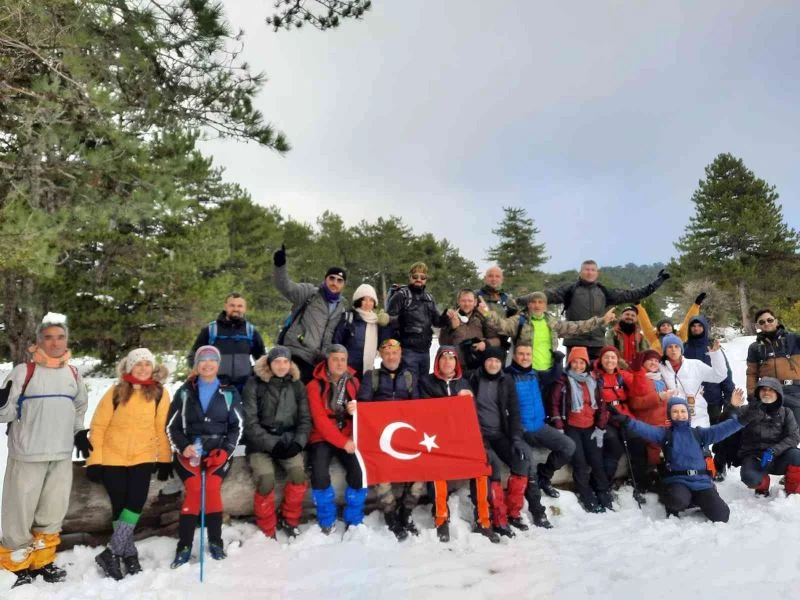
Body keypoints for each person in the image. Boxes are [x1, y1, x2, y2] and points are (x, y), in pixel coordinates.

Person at [0, 313, 89, 587]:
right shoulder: (23, 372)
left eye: (60, 337)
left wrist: (79, 432)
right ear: (39, 341)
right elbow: (5, 414)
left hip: (60, 454)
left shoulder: (73, 374)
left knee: (52, 512)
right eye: (48, 337)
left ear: (66, 341)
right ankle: (15, 566)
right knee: (19, 512)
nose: (54, 343)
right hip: (27, 453)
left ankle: (42, 562)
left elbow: (79, 406)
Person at [87, 348, 171, 580]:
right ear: (128, 367)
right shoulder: (115, 392)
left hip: (143, 458)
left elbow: (160, 429)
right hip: (112, 458)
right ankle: (128, 552)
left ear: (152, 367)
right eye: (138, 364)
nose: (143, 368)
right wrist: (94, 461)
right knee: (120, 505)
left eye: (147, 364)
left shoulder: (160, 394)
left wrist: (164, 458)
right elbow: (99, 427)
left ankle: (112, 551)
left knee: (135, 503)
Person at [611, 394, 746, 523]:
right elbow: (644, 429)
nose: (679, 414)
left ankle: (696, 499)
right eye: (675, 411)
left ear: (688, 413)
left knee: (722, 516)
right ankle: (681, 499)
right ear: (670, 414)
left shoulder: (699, 434)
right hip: (678, 481)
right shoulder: (665, 434)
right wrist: (626, 420)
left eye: (683, 411)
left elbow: (722, 429)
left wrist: (743, 420)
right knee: (677, 501)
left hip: (701, 482)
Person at [167, 345, 244, 568]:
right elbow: (171, 427)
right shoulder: (184, 391)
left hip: (218, 453)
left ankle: (215, 541)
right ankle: (184, 546)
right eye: (203, 360)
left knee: (210, 486)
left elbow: (237, 426)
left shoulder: (229, 392)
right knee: (194, 489)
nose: (207, 364)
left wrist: (225, 450)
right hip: (189, 454)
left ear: (218, 365)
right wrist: (184, 447)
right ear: (197, 364)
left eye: (212, 360)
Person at [468, 346, 551, 536]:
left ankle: (513, 512)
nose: (493, 364)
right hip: (480, 437)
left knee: (522, 460)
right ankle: (498, 515)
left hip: (501, 435)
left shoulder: (506, 381)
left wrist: (515, 439)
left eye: (497, 361)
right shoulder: (473, 379)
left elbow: (514, 413)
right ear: (484, 361)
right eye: (490, 360)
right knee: (493, 465)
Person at [419, 346, 498, 543]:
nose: (447, 362)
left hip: (462, 439)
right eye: (443, 358)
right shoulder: (427, 382)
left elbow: (472, 416)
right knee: (438, 471)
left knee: (481, 467)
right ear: (437, 361)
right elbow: (426, 411)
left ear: (456, 362)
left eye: (451, 358)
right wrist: (454, 401)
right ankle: (441, 518)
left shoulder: (464, 383)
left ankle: (483, 520)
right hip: (437, 440)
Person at [479, 291, 614, 390]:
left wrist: (601, 321)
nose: (537, 305)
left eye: (540, 302)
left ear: (545, 305)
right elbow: (501, 325)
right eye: (533, 302)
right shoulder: (519, 321)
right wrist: (486, 313)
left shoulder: (552, 322)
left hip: (548, 372)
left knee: (546, 407)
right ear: (529, 304)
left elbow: (577, 327)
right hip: (525, 372)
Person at [357, 339, 423, 540]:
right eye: (387, 354)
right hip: (380, 437)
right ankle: (390, 514)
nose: (391, 357)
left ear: (400, 354)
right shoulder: (372, 376)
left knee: (419, 473)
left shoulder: (410, 376)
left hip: (405, 435)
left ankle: (406, 512)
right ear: (381, 356)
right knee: (381, 473)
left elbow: (418, 406)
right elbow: (363, 404)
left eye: (394, 353)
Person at [242, 346, 311, 539]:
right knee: (266, 478)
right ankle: (267, 524)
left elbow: (305, 419)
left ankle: (290, 518)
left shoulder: (297, 385)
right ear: (269, 363)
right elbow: (250, 422)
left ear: (290, 364)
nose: (281, 366)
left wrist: (298, 442)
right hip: (260, 442)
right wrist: (272, 443)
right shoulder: (254, 384)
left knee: (298, 474)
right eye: (277, 361)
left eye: (285, 362)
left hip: (288, 439)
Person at [540, 260, 669, 360]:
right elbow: (543, 296)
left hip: (597, 343)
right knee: (574, 380)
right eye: (586, 269)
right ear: (580, 272)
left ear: (597, 273)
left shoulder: (604, 292)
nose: (589, 272)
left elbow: (633, 294)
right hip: (575, 342)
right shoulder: (569, 290)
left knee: (598, 381)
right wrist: (522, 302)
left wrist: (656, 283)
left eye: (592, 270)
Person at [306, 345, 366, 534]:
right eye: (335, 359)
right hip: (322, 436)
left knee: (359, 473)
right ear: (327, 361)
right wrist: (343, 442)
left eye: (343, 359)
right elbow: (320, 420)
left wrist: (355, 411)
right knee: (320, 474)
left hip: (347, 434)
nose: (339, 363)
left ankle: (353, 517)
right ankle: (327, 517)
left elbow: (365, 410)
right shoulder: (314, 386)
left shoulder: (354, 382)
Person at [504, 344, 576, 501]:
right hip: (519, 430)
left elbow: (554, 376)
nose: (525, 357)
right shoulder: (507, 376)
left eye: (528, 354)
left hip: (539, 426)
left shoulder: (534, 374)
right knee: (527, 462)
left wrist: (557, 362)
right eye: (521, 354)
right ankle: (534, 501)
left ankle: (545, 476)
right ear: (514, 356)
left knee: (568, 446)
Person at [273, 244, 348, 383]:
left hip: (316, 363)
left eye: (339, 281)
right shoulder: (309, 293)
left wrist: (326, 356)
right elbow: (284, 286)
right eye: (331, 278)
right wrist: (280, 265)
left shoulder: (341, 308)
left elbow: (330, 335)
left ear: (343, 285)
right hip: (295, 354)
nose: (334, 283)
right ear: (325, 279)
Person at [549, 347, 611, 513]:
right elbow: (554, 405)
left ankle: (603, 492)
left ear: (586, 363)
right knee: (580, 463)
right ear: (569, 363)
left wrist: (600, 427)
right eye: (574, 362)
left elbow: (602, 405)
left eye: (581, 362)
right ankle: (586, 496)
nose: (578, 365)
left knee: (597, 461)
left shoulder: (593, 380)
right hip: (571, 427)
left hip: (590, 427)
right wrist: (559, 427)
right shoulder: (563, 381)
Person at [592, 346, 649, 504]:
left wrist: (638, 371)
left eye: (613, 357)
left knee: (637, 443)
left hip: (625, 416)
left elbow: (640, 390)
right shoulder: (595, 377)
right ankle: (605, 485)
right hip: (605, 418)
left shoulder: (622, 375)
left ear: (617, 360)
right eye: (606, 357)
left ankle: (639, 484)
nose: (610, 360)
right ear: (601, 360)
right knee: (613, 446)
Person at [188, 293, 266, 392]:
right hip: (215, 387)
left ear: (245, 308)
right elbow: (194, 355)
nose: (236, 309)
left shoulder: (250, 331)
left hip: (244, 388)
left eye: (239, 306)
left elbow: (262, 358)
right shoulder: (211, 330)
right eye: (232, 305)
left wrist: (256, 377)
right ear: (225, 307)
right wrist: (200, 372)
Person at [737, 378, 800, 496]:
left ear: (778, 394)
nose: (766, 392)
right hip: (755, 457)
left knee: (798, 456)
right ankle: (762, 486)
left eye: (771, 390)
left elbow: (794, 437)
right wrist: (732, 407)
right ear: (758, 393)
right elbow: (729, 426)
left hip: (779, 456)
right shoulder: (746, 410)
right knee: (750, 479)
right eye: (763, 389)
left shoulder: (786, 412)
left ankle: (792, 489)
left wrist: (773, 450)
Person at [386, 262, 448, 379]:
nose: (419, 279)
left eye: (423, 277)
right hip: (407, 350)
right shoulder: (401, 295)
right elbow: (389, 321)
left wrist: (445, 317)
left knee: (423, 384)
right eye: (415, 276)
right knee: (408, 386)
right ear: (410, 277)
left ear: (426, 279)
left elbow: (436, 322)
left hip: (425, 351)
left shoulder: (429, 298)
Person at [627, 349, 676, 487]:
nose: (654, 363)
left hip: (662, 422)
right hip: (646, 422)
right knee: (653, 449)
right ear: (643, 362)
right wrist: (659, 397)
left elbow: (665, 404)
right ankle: (650, 477)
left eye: (656, 361)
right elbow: (635, 403)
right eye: (650, 360)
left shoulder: (660, 379)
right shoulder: (637, 377)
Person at [659, 334, 728, 430]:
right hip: (673, 421)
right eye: (670, 347)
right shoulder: (660, 368)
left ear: (681, 349)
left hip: (698, 420)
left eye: (676, 346)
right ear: (665, 351)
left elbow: (719, 376)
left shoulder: (695, 364)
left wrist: (716, 355)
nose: (673, 350)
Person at [746, 308, 800, 426]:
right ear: (757, 326)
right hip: (769, 393)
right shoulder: (755, 347)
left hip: (794, 391)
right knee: (773, 432)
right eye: (762, 322)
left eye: (770, 320)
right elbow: (752, 374)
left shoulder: (794, 339)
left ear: (776, 321)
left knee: (795, 432)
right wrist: (751, 396)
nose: (766, 323)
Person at [683, 315, 735, 425]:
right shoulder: (683, 348)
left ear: (705, 328)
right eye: (693, 326)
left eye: (699, 326)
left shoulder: (712, 347)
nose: (696, 328)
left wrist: (729, 397)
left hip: (713, 400)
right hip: (690, 401)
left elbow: (725, 373)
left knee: (714, 433)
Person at [332, 283, 392, 378]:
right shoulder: (349, 318)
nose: (368, 303)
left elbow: (383, 346)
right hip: (349, 370)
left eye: (371, 300)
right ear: (358, 301)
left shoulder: (377, 320)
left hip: (370, 371)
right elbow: (337, 342)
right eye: (364, 299)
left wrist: (386, 325)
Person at [439, 289, 501, 372]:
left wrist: (485, 343)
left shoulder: (482, 317)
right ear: (458, 301)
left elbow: (496, 340)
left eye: (470, 301)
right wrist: (452, 328)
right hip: (456, 366)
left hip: (478, 366)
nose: (467, 304)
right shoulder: (451, 316)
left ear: (475, 302)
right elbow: (443, 343)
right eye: (463, 301)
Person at [635, 294, 704, 354]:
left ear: (672, 328)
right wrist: (638, 306)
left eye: (668, 325)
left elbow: (688, 322)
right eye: (663, 325)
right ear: (659, 329)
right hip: (657, 366)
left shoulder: (680, 337)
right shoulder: (653, 338)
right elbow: (645, 323)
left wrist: (696, 305)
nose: (666, 327)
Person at [476, 266, 518, 359]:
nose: (494, 279)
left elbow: (516, 321)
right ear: (485, 278)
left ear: (502, 279)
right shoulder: (475, 296)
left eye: (497, 276)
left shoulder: (507, 299)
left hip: (499, 346)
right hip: (477, 345)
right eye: (490, 276)